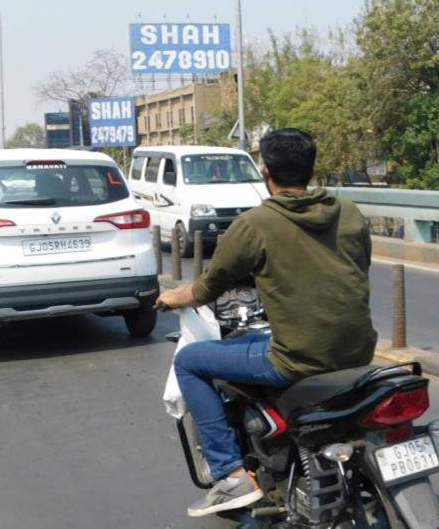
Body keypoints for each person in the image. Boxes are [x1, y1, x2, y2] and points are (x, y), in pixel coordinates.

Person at [156, 128, 377, 517]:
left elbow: (207, 288)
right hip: (359, 352)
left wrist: (172, 296)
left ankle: (229, 475)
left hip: (296, 360)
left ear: (265, 171)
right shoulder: (349, 211)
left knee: (190, 361)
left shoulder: (256, 223)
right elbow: (360, 265)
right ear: (311, 169)